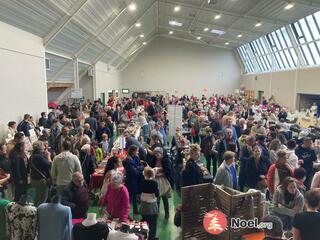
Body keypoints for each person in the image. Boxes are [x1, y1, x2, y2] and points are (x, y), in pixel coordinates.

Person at [149, 147, 172, 219]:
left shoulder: (166, 160)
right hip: (155, 181)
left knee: (164, 198)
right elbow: (150, 169)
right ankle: (157, 211)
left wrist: (160, 174)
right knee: (157, 197)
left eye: (158, 153)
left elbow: (168, 172)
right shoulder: (153, 160)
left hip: (163, 181)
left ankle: (167, 213)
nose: (156, 155)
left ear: (161, 153)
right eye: (155, 154)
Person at [123, 145, 144, 214]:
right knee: (128, 197)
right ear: (133, 151)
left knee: (134, 196)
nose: (138, 152)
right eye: (137, 151)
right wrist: (138, 169)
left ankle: (135, 210)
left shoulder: (136, 157)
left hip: (135, 181)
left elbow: (142, 166)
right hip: (130, 181)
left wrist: (137, 168)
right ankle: (127, 212)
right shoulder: (127, 160)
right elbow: (133, 172)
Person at [30, 141, 52, 206]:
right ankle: (39, 212)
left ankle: (35, 210)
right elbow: (49, 165)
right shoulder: (38, 157)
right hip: (40, 180)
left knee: (38, 197)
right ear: (40, 148)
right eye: (43, 146)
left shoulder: (32, 156)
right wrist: (48, 157)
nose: (45, 147)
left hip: (34, 179)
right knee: (43, 198)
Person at [140, 167, 159, 240]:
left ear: (144, 174)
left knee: (144, 221)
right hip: (152, 206)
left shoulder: (142, 182)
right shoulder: (154, 183)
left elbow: (140, 191)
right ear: (152, 174)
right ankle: (152, 237)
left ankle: (144, 236)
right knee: (153, 223)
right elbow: (157, 194)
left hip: (143, 205)